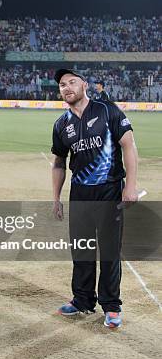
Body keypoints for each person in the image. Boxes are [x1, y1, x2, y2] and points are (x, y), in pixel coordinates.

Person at [51, 69, 139, 329]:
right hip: (79, 194)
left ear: (84, 85)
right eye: (62, 85)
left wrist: (130, 186)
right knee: (81, 250)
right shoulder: (61, 124)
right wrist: (56, 198)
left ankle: (111, 306)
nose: (67, 87)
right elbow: (59, 162)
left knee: (109, 251)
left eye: (72, 82)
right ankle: (82, 300)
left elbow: (129, 146)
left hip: (109, 191)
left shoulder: (107, 110)